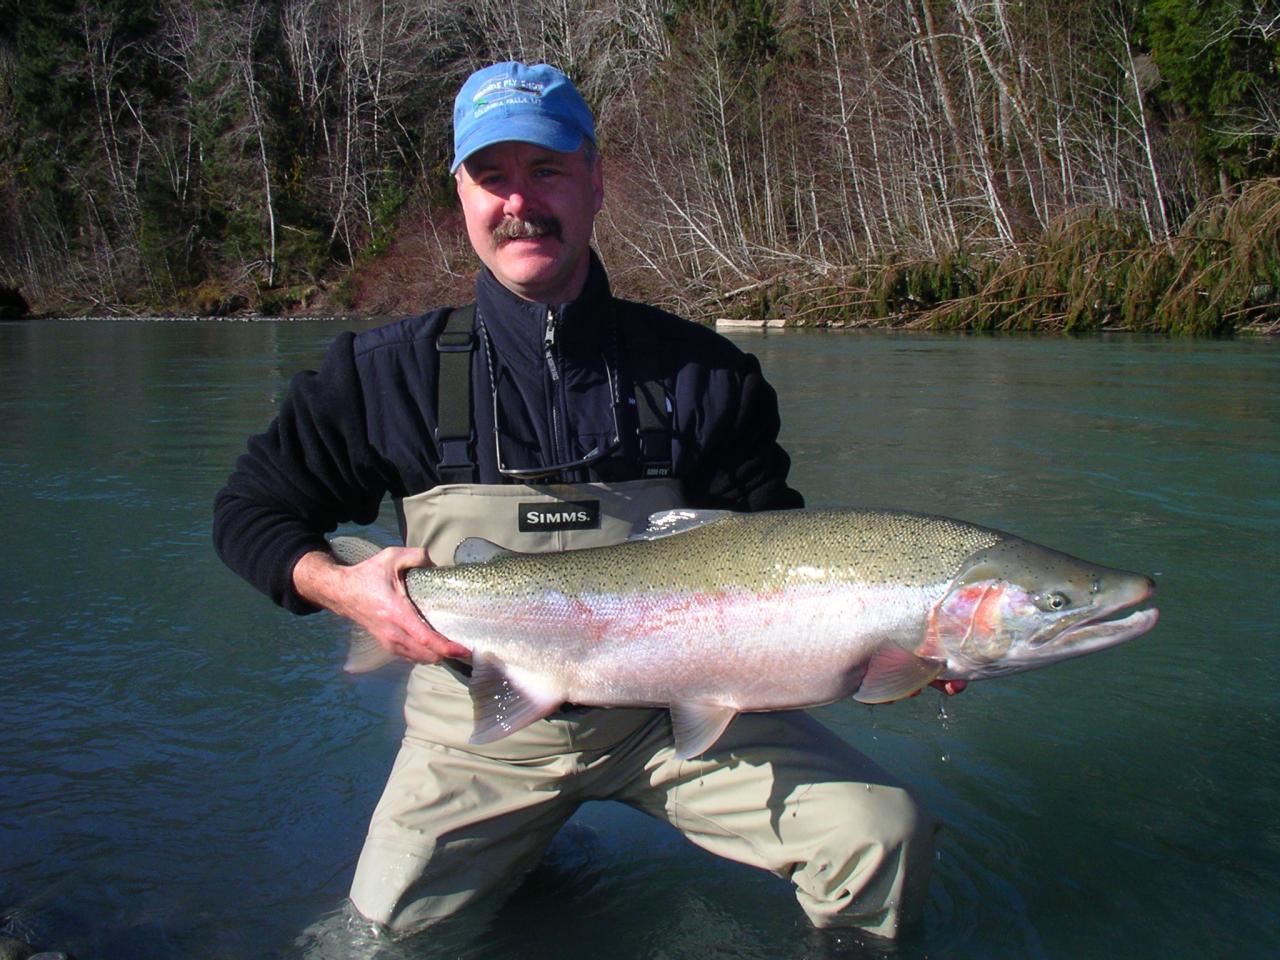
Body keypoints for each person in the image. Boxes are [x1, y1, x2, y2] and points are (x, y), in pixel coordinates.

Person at [213, 61, 952, 944]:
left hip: (674, 718)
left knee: (880, 837)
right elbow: (249, 513)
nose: (519, 202)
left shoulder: (706, 375)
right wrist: (345, 590)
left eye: (548, 171)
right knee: (382, 940)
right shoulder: (385, 374)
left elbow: (776, 551)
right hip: (478, 722)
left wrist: (890, 643)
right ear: (462, 196)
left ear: (596, 181)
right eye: (493, 178)